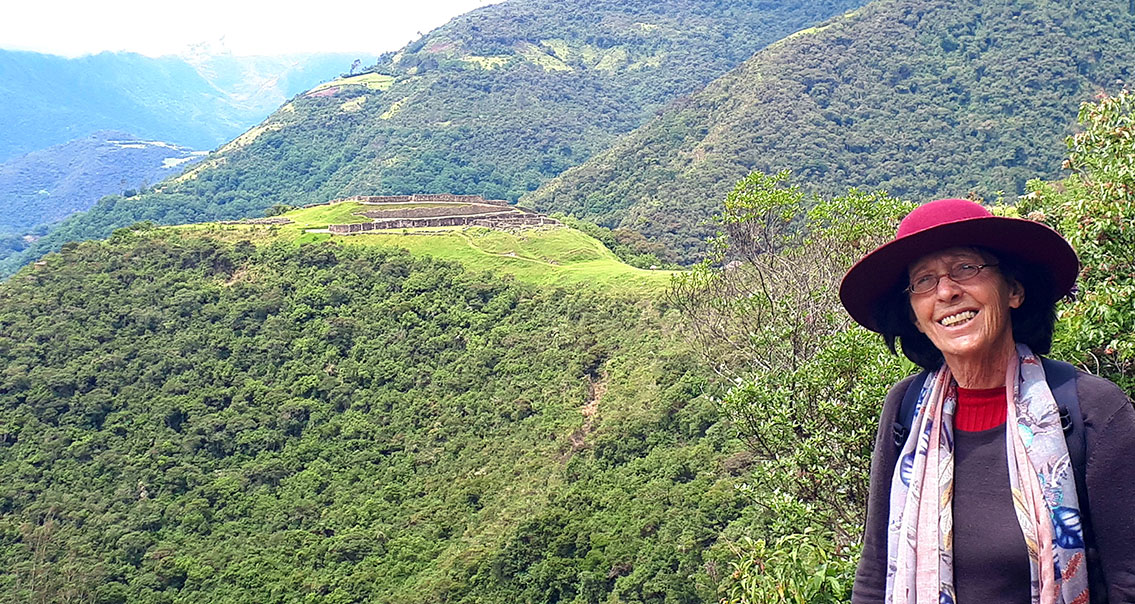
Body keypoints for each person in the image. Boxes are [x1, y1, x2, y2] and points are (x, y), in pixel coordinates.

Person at [838, 198, 1135, 603]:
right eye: (924, 280)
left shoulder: (1093, 409)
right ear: (913, 317)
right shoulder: (905, 408)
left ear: (1013, 290)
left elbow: (1128, 580)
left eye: (965, 268)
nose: (945, 292)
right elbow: (875, 575)